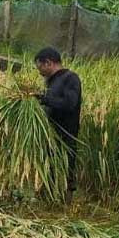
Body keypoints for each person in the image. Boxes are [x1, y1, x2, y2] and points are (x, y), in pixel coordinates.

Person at [34, 47, 82, 204]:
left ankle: (65, 206)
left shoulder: (70, 78)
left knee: (66, 168)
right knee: (49, 168)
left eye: (39, 67)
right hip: (50, 134)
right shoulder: (51, 81)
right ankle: (47, 201)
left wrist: (45, 99)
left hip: (65, 134)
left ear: (48, 63)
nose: (39, 71)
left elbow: (70, 103)